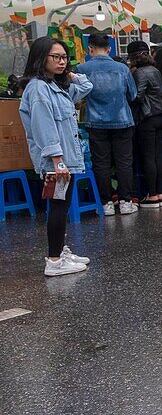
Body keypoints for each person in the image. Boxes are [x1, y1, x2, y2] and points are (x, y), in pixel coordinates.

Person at [19, 37, 93, 276]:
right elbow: (44, 127)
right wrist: (56, 160)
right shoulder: (40, 89)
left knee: (61, 204)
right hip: (56, 160)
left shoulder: (55, 86)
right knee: (59, 206)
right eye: (56, 57)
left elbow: (86, 87)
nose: (62, 62)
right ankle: (53, 260)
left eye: (64, 58)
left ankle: (59, 250)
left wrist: (70, 74)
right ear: (41, 58)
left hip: (65, 158)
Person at [77, 33, 138, 215]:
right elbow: (133, 95)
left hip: (96, 122)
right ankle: (126, 201)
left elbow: (78, 95)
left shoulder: (82, 68)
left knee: (101, 163)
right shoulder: (122, 68)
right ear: (109, 48)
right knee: (124, 162)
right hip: (122, 120)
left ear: (90, 49)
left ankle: (106, 203)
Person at [128, 40, 162, 208]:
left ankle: (152, 195)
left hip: (148, 117)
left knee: (148, 156)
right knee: (157, 155)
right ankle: (159, 193)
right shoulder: (155, 70)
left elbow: (137, 96)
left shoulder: (140, 73)